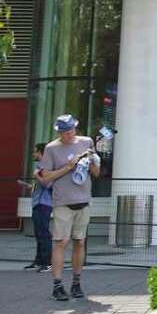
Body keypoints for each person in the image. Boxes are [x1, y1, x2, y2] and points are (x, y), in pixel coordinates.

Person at [38, 114, 99, 301]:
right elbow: (45, 177)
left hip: (83, 200)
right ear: (59, 132)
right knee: (61, 242)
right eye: (64, 132)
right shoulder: (51, 148)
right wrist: (68, 167)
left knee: (80, 241)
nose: (68, 135)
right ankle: (57, 285)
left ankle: (76, 283)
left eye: (71, 130)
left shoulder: (86, 142)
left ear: (76, 128)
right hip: (62, 202)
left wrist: (89, 164)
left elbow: (96, 173)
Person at [24, 144, 53, 272]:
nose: (33, 154)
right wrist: (33, 186)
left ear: (41, 152)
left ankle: (47, 262)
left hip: (44, 204)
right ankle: (39, 260)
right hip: (37, 203)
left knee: (44, 233)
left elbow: (49, 184)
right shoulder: (40, 166)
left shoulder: (47, 166)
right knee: (38, 233)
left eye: (35, 152)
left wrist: (37, 176)